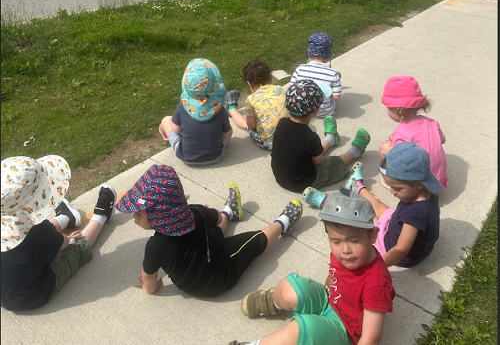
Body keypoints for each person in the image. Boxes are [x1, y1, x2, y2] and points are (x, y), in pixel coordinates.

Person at [229, 188, 395, 345]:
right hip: (330, 301)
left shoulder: (376, 283)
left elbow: (371, 339)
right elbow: (335, 277)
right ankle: (275, 302)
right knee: (291, 286)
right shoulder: (349, 255)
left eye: (354, 240)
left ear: (372, 235)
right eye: (336, 241)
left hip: (346, 331)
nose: (345, 250)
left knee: (305, 328)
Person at [116, 164, 303, 298]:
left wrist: (153, 286)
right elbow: (217, 219)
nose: (134, 218)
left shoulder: (155, 247)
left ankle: (241, 213)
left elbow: (149, 282)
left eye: (138, 214)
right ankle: (281, 223)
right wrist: (220, 215)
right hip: (218, 277)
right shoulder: (195, 213)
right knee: (254, 239)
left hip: (198, 283)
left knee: (213, 235)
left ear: (159, 216)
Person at [1, 155, 116, 311]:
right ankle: (101, 215)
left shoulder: (31, 229)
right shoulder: (40, 233)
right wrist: (68, 239)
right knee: (77, 248)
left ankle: (65, 218)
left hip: (5, 294)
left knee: (35, 234)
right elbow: (64, 244)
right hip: (33, 295)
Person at [345, 142, 441, 268]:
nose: (392, 191)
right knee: (379, 206)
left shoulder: (414, 215)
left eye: (397, 188)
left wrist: (376, 268)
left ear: (418, 184)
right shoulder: (427, 193)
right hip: (397, 226)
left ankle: (326, 204)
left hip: (390, 247)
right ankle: (357, 188)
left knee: (351, 229)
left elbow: (400, 250)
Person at [271, 79, 370, 193]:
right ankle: (355, 151)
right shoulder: (310, 136)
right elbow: (318, 161)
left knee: (310, 149)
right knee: (332, 163)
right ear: (316, 111)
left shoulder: (282, 123)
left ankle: (331, 139)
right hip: (303, 182)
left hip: (281, 177)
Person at [159, 57, 233, 165]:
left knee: (166, 120)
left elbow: (175, 130)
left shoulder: (182, 107)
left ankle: (166, 135)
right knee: (228, 130)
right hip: (216, 156)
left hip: (186, 157)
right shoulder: (219, 109)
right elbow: (227, 132)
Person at [379, 75, 448, 189]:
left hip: (417, 186)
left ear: (399, 110)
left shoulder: (401, 133)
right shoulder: (432, 123)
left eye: (388, 108)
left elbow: (399, 159)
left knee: (384, 148)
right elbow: (442, 140)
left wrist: (393, 139)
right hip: (436, 181)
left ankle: (390, 180)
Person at [224, 59, 287, 151]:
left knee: (246, 124)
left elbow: (251, 126)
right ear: (271, 79)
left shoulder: (251, 99)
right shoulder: (280, 89)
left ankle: (231, 108)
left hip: (269, 143)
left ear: (249, 84)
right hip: (289, 137)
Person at [290, 32, 342, 119]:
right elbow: (337, 97)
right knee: (332, 100)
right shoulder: (333, 74)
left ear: (308, 52)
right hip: (324, 113)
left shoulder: (300, 68)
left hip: (303, 110)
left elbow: (292, 87)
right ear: (328, 54)